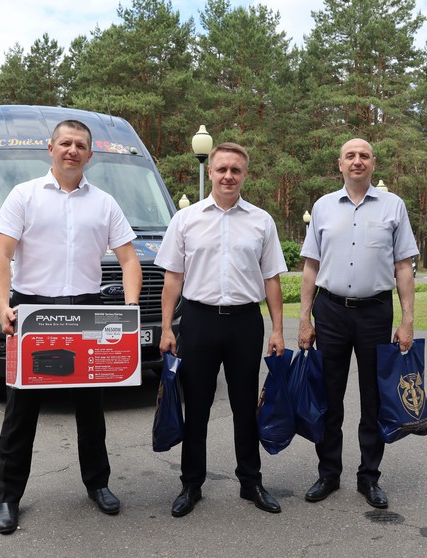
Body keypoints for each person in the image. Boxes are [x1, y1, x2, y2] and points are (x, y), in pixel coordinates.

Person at [0, 120, 142, 534]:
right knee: (21, 413)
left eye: (80, 145)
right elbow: (1, 256)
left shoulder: (105, 203)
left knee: (91, 411)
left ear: (89, 155)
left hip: (87, 311)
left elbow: (129, 259)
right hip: (34, 313)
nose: (72, 150)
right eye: (65, 143)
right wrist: (3, 305)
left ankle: (98, 485)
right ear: (51, 149)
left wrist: (129, 308)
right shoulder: (24, 196)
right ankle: (8, 497)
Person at [154, 142, 287, 517]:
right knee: (197, 405)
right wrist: (166, 328)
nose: (228, 176)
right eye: (222, 169)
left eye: (236, 170)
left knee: (246, 405)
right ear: (210, 172)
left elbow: (272, 279)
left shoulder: (261, 221)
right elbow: (173, 278)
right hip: (198, 321)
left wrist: (278, 329)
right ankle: (191, 484)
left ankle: (251, 481)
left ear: (245, 175)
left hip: (245, 322)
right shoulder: (186, 219)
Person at [298, 138, 418, 509]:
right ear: (340, 164)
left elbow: (403, 267)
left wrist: (407, 320)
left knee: (374, 399)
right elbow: (311, 266)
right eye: (350, 156)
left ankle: (369, 477)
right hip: (330, 312)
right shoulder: (322, 207)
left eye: (364, 155)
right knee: (328, 398)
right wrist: (304, 318)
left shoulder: (393, 206)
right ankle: (328, 473)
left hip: (375, 313)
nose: (357, 161)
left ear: (373, 163)